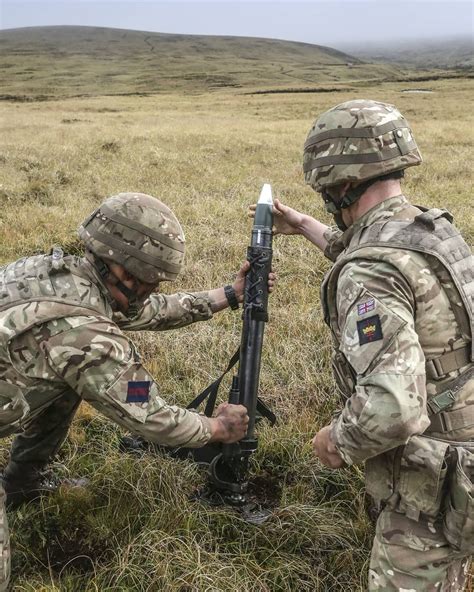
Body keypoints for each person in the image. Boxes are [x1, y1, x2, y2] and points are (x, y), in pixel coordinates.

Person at [0, 191, 272, 590]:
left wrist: (227, 295)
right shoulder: (88, 338)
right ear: (125, 272)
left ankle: (21, 483)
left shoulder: (55, 274)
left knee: (64, 386)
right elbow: (151, 414)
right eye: (151, 281)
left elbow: (146, 310)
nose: (153, 288)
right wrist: (217, 428)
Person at [265, 100, 473, 591]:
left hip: (435, 486)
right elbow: (364, 247)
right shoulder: (431, 230)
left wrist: (337, 441)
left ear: (339, 187)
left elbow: (393, 407)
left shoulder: (369, 274)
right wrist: (300, 226)